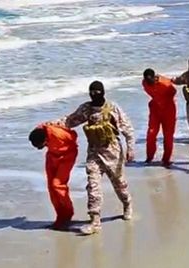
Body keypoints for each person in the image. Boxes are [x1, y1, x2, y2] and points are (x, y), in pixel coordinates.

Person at [50, 81, 135, 235]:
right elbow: (70, 121)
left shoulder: (112, 108)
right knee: (93, 185)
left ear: (103, 93)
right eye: (92, 92)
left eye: (97, 92)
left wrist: (130, 148)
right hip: (94, 153)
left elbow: (127, 128)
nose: (94, 95)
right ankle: (95, 220)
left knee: (119, 185)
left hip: (113, 153)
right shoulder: (86, 109)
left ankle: (127, 203)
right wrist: (50, 125)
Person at [28, 124, 78, 230]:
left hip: (67, 156)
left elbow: (74, 136)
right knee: (51, 186)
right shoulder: (40, 131)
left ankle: (68, 213)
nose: (40, 148)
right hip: (52, 156)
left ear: (46, 139)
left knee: (57, 184)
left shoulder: (58, 134)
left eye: (41, 146)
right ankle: (60, 216)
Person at [141, 68, 177, 167]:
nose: (149, 83)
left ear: (154, 77)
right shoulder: (144, 83)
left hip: (168, 110)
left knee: (168, 136)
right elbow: (150, 92)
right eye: (147, 81)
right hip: (155, 109)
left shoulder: (165, 84)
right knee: (151, 133)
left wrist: (164, 101)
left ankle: (166, 160)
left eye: (150, 80)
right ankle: (149, 157)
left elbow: (174, 92)